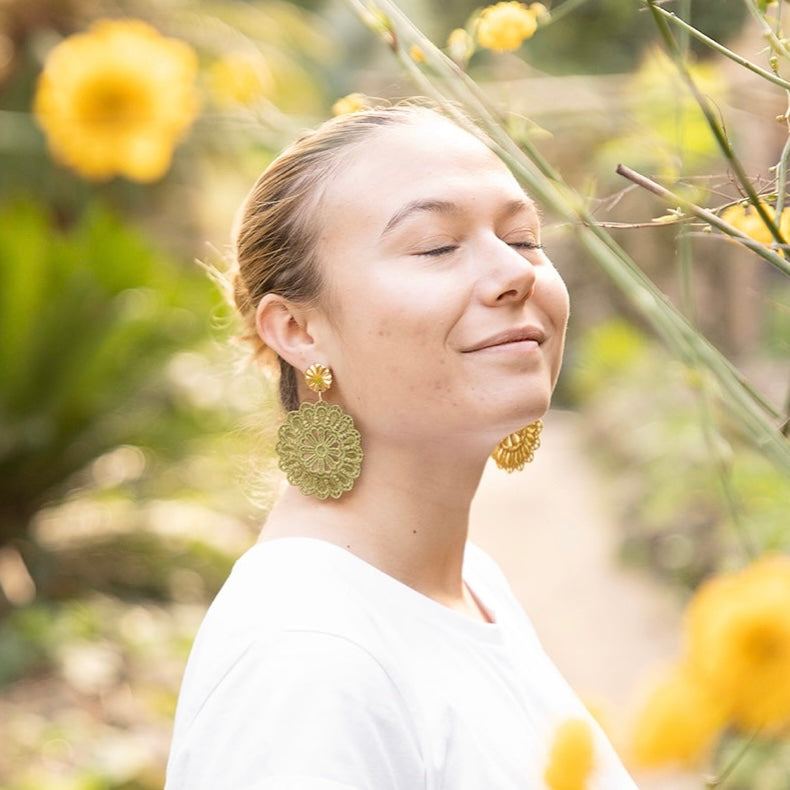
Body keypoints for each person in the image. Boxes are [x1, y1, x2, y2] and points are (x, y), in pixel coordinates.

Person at [165, 103, 638, 789]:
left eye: (525, 237)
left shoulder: (469, 585)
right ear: (298, 329)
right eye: (437, 246)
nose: (515, 272)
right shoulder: (305, 658)